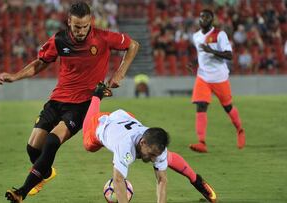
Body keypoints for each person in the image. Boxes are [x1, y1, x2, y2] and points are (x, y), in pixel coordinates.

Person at [0, 2, 140, 202]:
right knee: (32, 148)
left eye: (84, 26)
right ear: (69, 22)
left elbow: (133, 45)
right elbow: (40, 63)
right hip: (57, 99)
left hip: (83, 104)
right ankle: (45, 173)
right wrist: (14, 76)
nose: (81, 31)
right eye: (76, 27)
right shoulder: (59, 40)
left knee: (51, 142)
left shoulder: (103, 37)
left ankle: (21, 192)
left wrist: (120, 73)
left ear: (90, 21)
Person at [81, 83, 217, 203]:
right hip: (101, 125)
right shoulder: (124, 147)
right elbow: (118, 180)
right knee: (88, 145)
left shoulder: (155, 145)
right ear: (143, 143)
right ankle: (97, 95)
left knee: (166, 157)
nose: (153, 158)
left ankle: (197, 181)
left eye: (155, 155)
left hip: (126, 119)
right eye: (151, 154)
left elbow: (162, 180)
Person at [188, 9, 245, 153]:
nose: (203, 19)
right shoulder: (196, 36)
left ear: (212, 20)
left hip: (219, 77)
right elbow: (201, 56)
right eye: (201, 16)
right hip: (203, 77)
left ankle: (240, 130)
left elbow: (229, 55)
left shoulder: (220, 34)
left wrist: (211, 51)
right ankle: (201, 142)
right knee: (201, 106)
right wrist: (193, 64)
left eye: (207, 17)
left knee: (228, 107)